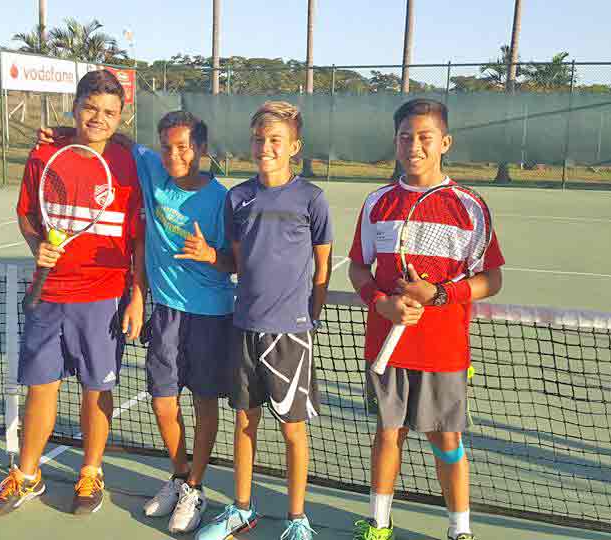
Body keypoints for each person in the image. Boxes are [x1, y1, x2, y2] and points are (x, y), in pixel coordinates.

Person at [40, 110, 236, 533]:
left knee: (203, 403)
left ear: (201, 149)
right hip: (165, 311)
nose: (174, 155)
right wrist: (66, 133)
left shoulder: (221, 199)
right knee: (163, 402)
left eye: (183, 147)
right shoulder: (151, 168)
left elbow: (234, 262)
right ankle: (180, 476)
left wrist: (209, 255)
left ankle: (195, 487)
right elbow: (120, 138)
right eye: (167, 147)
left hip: (210, 314)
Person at [0, 70, 145, 518]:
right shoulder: (44, 154)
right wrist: (37, 245)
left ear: (120, 117)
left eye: (109, 112)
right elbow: (26, 215)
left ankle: (91, 471)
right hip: (49, 295)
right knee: (41, 387)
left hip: (103, 296)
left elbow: (139, 239)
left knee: (96, 388)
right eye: (90, 107)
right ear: (74, 107)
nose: (98, 118)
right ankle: (27, 475)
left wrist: (138, 295)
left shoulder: (131, 163)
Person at [347, 98, 505, 540]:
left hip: (443, 350)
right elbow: (358, 268)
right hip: (386, 346)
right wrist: (381, 303)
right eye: (405, 137)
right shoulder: (377, 203)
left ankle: (460, 529)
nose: (413, 146)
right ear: (395, 142)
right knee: (388, 434)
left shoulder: (469, 206)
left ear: (444, 143)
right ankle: (378, 525)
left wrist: (439, 294)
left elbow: (491, 279)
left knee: (447, 441)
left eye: (424, 137)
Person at [195, 101, 333, 540]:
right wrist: (209, 256)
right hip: (244, 327)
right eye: (259, 139)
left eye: (275, 140)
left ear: (295, 146)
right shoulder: (237, 197)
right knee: (244, 422)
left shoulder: (312, 199)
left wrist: (310, 316)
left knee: (293, 431)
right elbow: (235, 262)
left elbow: (323, 268)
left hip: (290, 334)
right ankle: (241, 509)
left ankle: (297, 519)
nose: (265, 147)